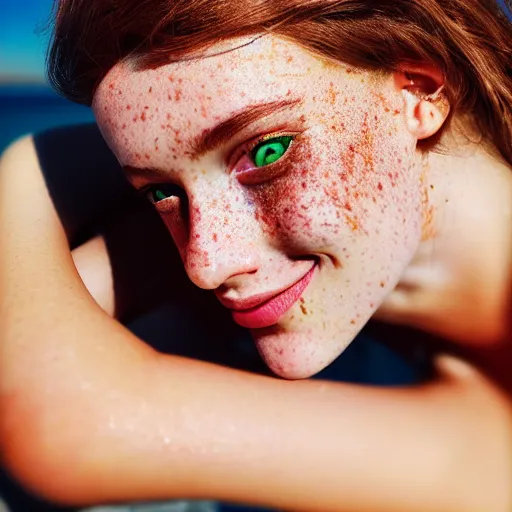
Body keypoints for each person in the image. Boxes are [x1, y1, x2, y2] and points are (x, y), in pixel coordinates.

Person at [1, 0, 512, 511]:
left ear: (419, 92)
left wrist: (24, 171)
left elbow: (72, 428)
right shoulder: (355, 268)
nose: (205, 265)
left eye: (267, 152)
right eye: (160, 192)